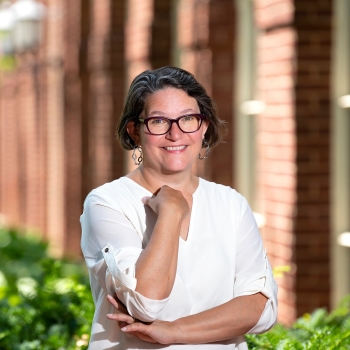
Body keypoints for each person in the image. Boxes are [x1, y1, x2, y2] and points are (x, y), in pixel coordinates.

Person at [80, 66, 278, 349]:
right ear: (135, 131)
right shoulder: (106, 203)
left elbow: (260, 309)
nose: (175, 134)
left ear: (204, 126)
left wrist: (174, 332)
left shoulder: (231, 203)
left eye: (188, 119)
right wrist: (171, 213)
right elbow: (145, 302)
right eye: (159, 121)